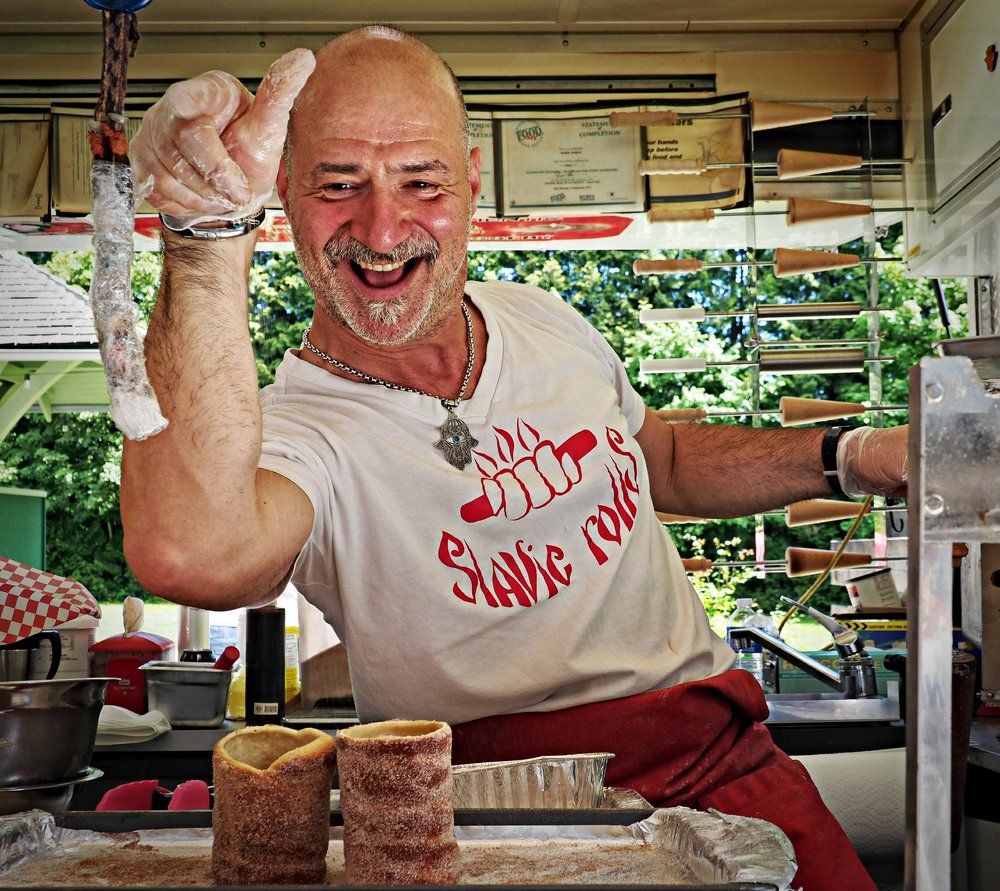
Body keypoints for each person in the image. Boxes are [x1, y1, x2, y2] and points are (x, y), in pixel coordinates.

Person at [123, 25, 907, 889]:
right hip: (496, 832)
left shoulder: (542, 317)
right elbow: (190, 552)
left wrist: (856, 455)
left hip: (730, 773)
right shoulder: (298, 431)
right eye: (339, 185)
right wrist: (203, 235)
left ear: (472, 183)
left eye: (422, 182)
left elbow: (669, 460)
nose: (381, 230)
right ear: (283, 191)